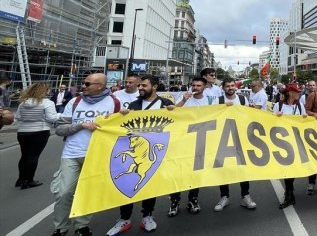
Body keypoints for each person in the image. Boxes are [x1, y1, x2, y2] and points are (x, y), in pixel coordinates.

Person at [52, 73, 121, 236]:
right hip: (71, 153)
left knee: (88, 193)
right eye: (84, 83)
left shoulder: (114, 103)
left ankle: (81, 226)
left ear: (100, 86)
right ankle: (60, 228)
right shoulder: (74, 102)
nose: (83, 86)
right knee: (64, 193)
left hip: (97, 155)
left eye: (88, 83)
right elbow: (59, 129)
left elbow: (121, 130)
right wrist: (81, 125)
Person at [106, 75, 175, 235]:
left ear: (155, 86)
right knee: (127, 183)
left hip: (153, 153)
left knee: (149, 184)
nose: (140, 88)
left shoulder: (165, 104)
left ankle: (147, 216)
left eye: (144, 85)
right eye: (140, 86)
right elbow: (122, 127)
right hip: (134, 150)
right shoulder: (134, 105)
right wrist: (119, 117)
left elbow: (178, 124)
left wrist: (174, 112)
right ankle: (124, 218)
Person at [170, 77, 213, 216]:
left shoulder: (211, 100)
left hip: (201, 140)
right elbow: (173, 112)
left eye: (198, 85)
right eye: (193, 85)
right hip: (183, 141)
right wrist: (183, 100)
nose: (195, 87)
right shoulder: (184, 98)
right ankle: (174, 202)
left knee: (195, 172)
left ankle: (193, 199)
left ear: (204, 87)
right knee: (178, 172)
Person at [213, 77, 257, 212]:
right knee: (223, 168)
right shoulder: (218, 101)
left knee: (242, 167)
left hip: (240, 138)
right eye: (227, 86)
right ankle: (224, 196)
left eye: (232, 85)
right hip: (223, 138)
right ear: (223, 88)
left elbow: (249, 116)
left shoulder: (242, 99)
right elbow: (212, 117)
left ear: (235, 86)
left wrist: (253, 110)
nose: (230, 88)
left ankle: (245, 196)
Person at [15, 82, 61, 189]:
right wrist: (60, 115)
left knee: (24, 156)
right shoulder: (47, 103)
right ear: (44, 91)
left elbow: (18, 117)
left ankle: (20, 179)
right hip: (40, 131)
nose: (50, 91)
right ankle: (29, 180)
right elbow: (52, 118)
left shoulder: (23, 103)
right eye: (48, 90)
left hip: (22, 131)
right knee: (33, 156)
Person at [277, 83, 308, 209]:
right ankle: (289, 194)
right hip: (283, 142)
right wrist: (276, 117)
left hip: (296, 140)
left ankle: (289, 192)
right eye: (296, 92)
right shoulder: (278, 106)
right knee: (287, 168)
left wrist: (305, 118)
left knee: (293, 168)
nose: (299, 93)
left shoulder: (300, 106)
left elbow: (305, 122)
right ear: (290, 93)